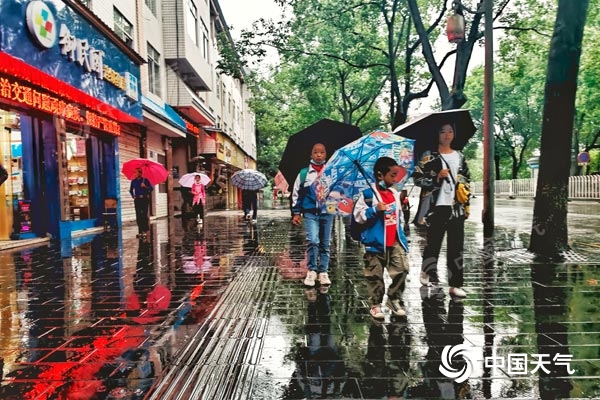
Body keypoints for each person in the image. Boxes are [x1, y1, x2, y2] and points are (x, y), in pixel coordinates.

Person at [412, 122, 471, 298]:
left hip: (456, 208)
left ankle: (455, 284)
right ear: (437, 134)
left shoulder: (460, 156)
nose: (447, 135)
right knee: (433, 244)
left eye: (450, 131)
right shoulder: (428, 156)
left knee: (456, 247)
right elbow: (417, 178)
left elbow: (467, 181)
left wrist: (466, 205)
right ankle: (426, 271)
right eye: (443, 131)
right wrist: (436, 178)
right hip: (435, 207)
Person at [352, 157, 410, 320]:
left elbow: (399, 218)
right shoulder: (368, 195)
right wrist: (374, 210)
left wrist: (403, 238)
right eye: (392, 175)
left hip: (395, 241)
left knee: (403, 269)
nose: (395, 179)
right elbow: (358, 217)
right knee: (375, 276)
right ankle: (376, 304)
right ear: (380, 175)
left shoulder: (393, 193)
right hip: (375, 244)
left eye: (396, 175)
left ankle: (393, 298)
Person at [291, 143, 334, 287]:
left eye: (322, 152)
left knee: (325, 243)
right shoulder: (304, 174)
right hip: (310, 213)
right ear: (311, 154)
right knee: (313, 240)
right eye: (315, 152)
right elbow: (296, 193)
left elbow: (339, 192)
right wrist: (296, 212)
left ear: (326, 154)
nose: (319, 155)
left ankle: (323, 272)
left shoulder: (331, 172)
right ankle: (311, 270)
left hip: (327, 212)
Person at [129, 168, 153, 238]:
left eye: (136, 172)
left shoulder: (145, 180)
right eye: (134, 172)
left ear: (140, 173)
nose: (135, 174)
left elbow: (151, 189)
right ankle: (140, 231)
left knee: (144, 215)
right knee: (138, 215)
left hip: (144, 199)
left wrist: (145, 186)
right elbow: (131, 190)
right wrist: (133, 196)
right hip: (137, 199)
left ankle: (145, 231)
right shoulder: (133, 181)